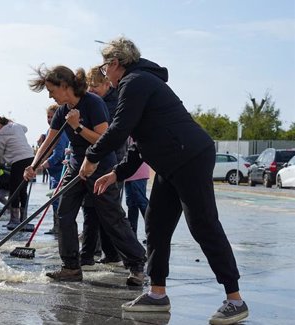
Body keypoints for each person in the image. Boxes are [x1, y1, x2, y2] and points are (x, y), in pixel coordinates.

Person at [82, 37, 247, 324]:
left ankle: (235, 300)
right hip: (171, 163)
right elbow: (137, 142)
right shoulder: (136, 83)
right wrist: (116, 173)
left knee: (203, 225)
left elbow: (120, 129)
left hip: (189, 157)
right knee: (156, 224)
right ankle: (157, 294)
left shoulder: (136, 82)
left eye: (105, 65)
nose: (104, 71)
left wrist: (92, 155)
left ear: (116, 63)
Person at [25, 65, 146, 284]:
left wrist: (77, 126)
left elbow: (104, 139)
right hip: (75, 166)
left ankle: (137, 264)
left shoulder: (93, 103)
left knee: (111, 216)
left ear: (65, 86)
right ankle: (71, 266)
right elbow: (49, 142)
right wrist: (34, 164)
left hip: (100, 165)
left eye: (52, 90)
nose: (50, 95)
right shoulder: (62, 110)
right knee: (64, 213)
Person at [80, 65, 123, 266]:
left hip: (112, 159)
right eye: (89, 86)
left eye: (95, 86)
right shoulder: (95, 100)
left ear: (107, 84)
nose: (91, 90)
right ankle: (91, 253)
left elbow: (108, 134)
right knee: (91, 208)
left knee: (108, 209)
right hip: (93, 157)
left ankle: (115, 253)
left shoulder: (115, 101)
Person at [0, 116, 34, 230]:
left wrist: (1, 160)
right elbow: (26, 128)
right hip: (30, 157)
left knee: (14, 189)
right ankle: (24, 220)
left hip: (18, 160)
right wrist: (12, 123)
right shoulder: (17, 126)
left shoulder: (1, 134)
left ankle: (14, 220)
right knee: (23, 188)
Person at [41, 105, 69, 235]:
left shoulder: (62, 131)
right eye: (48, 117)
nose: (50, 119)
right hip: (53, 172)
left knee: (58, 200)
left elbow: (59, 153)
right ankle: (56, 226)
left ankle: (60, 228)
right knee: (54, 199)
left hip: (60, 170)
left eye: (52, 117)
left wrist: (48, 163)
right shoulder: (50, 131)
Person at [124, 138, 150, 240]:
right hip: (127, 173)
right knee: (131, 204)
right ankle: (132, 235)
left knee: (142, 203)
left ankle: (154, 232)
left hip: (139, 172)